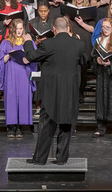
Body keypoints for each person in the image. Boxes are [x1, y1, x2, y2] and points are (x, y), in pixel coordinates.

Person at [24, 17, 89, 165]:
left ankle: (40, 159)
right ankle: (61, 159)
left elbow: (31, 56)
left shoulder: (48, 44)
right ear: (67, 28)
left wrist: (28, 42)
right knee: (66, 124)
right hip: (70, 91)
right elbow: (84, 60)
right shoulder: (78, 44)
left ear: (54, 29)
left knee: (46, 124)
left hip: (51, 91)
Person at [0, 19, 37, 138]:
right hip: (11, 73)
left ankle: (19, 126)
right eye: (17, 28)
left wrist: (29, 58)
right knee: (11, 98)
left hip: (24, 72)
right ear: (12, 29)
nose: (19, 31)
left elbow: (34, 58)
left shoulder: (28, 42)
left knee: (23, 98)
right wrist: (8, 55)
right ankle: (11, 126)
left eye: (21, 28)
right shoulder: (6, 43)